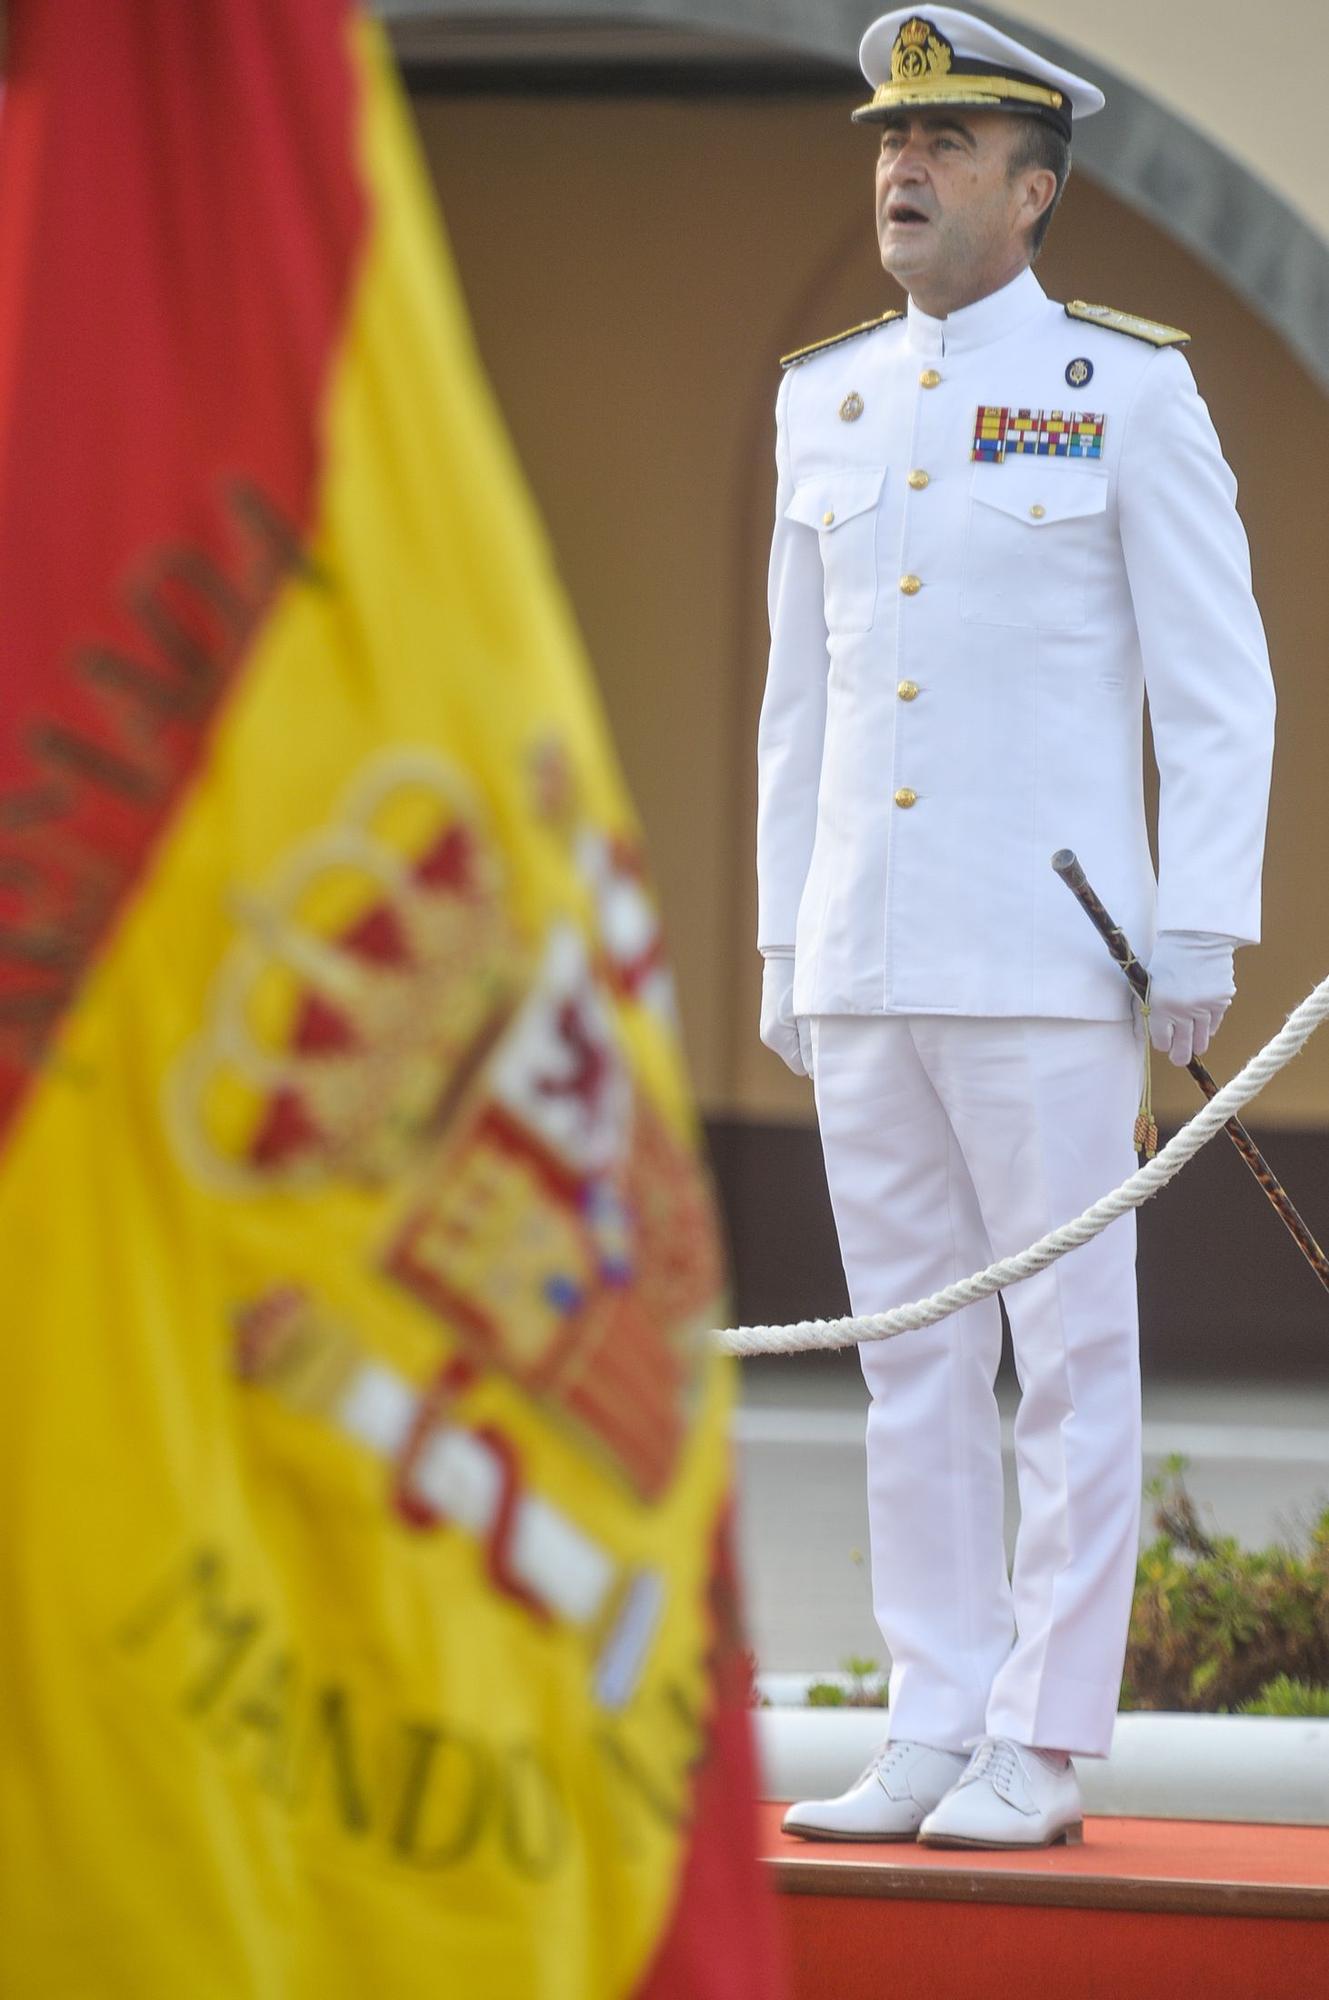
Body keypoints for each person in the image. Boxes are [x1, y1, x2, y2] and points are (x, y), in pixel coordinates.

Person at [756, 7, 1275, 1849]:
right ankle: (927, 1717)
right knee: (906, 1358)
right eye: (889, 143)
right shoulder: (821, 396)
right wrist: (780, 947)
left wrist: (1198, 924)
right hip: (868, 955)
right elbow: (794, 709)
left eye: (948, 146)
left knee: (1064, 1357)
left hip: (1054, 964)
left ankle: (1041, 1743)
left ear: (1035, 190)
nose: (901, 169)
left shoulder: (1128, 388)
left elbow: (1220, 686)